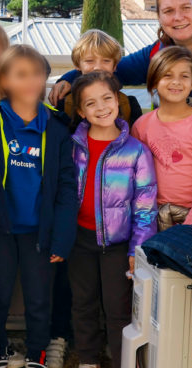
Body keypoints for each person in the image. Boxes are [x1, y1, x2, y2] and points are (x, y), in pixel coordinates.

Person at [50, 0, 192, 230]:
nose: (178, 17)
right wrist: (70, 78)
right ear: (159, 17)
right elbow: (112, 71)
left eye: (185, 8)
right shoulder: (160, 51)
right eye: (168, 11)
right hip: (179, 187)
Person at [0, 45, 78, 368]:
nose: (31, 81)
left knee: (38, 299)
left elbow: (66, 187)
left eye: (37, 74)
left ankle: (38, 353)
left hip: (40, 230)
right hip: (1, 229)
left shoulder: (57, 127)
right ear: (3, 80)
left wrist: (61, 237)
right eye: (21, 75)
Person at [68, 71, 156, 368]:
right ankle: (89, 359)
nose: (101, 107)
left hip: (118, 246)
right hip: (80, 240)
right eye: (91, 103)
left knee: (118, 309)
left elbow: (145, 207)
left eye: (107, 98)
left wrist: (137, 251)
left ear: (118, 101)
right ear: (81, 111)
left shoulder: (136, 151)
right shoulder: (71, 147)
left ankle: (122, 360)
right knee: (83, 304)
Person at [133, 47, 192, 229]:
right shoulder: (141, 126)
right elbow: (135, 179)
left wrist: (189, 227)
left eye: (184, 76)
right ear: (154, 81)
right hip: (153, 215)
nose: (176, 82)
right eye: (167, 75)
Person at [61, 30, 142, 129]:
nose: (98, 67)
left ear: (114, 66)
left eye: (106, 61)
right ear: (78, 65)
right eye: (89, 61)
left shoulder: (129, 105)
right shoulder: (66, 104)